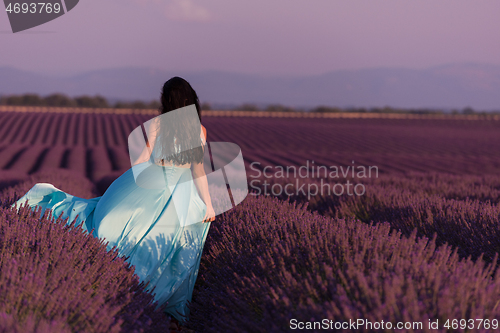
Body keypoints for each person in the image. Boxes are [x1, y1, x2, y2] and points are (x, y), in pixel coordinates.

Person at [11, 77, 216, 326]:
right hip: (181, 198)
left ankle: (119, 293)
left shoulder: (158, 125)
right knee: (166, 252)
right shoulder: (199, 130)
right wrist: (208, 204)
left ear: (167, 101)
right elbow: (198, 171)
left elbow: (140, 164)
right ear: (191, 99)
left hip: (153, 186)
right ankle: (153, 304)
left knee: (121, 234)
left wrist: (128, 188)